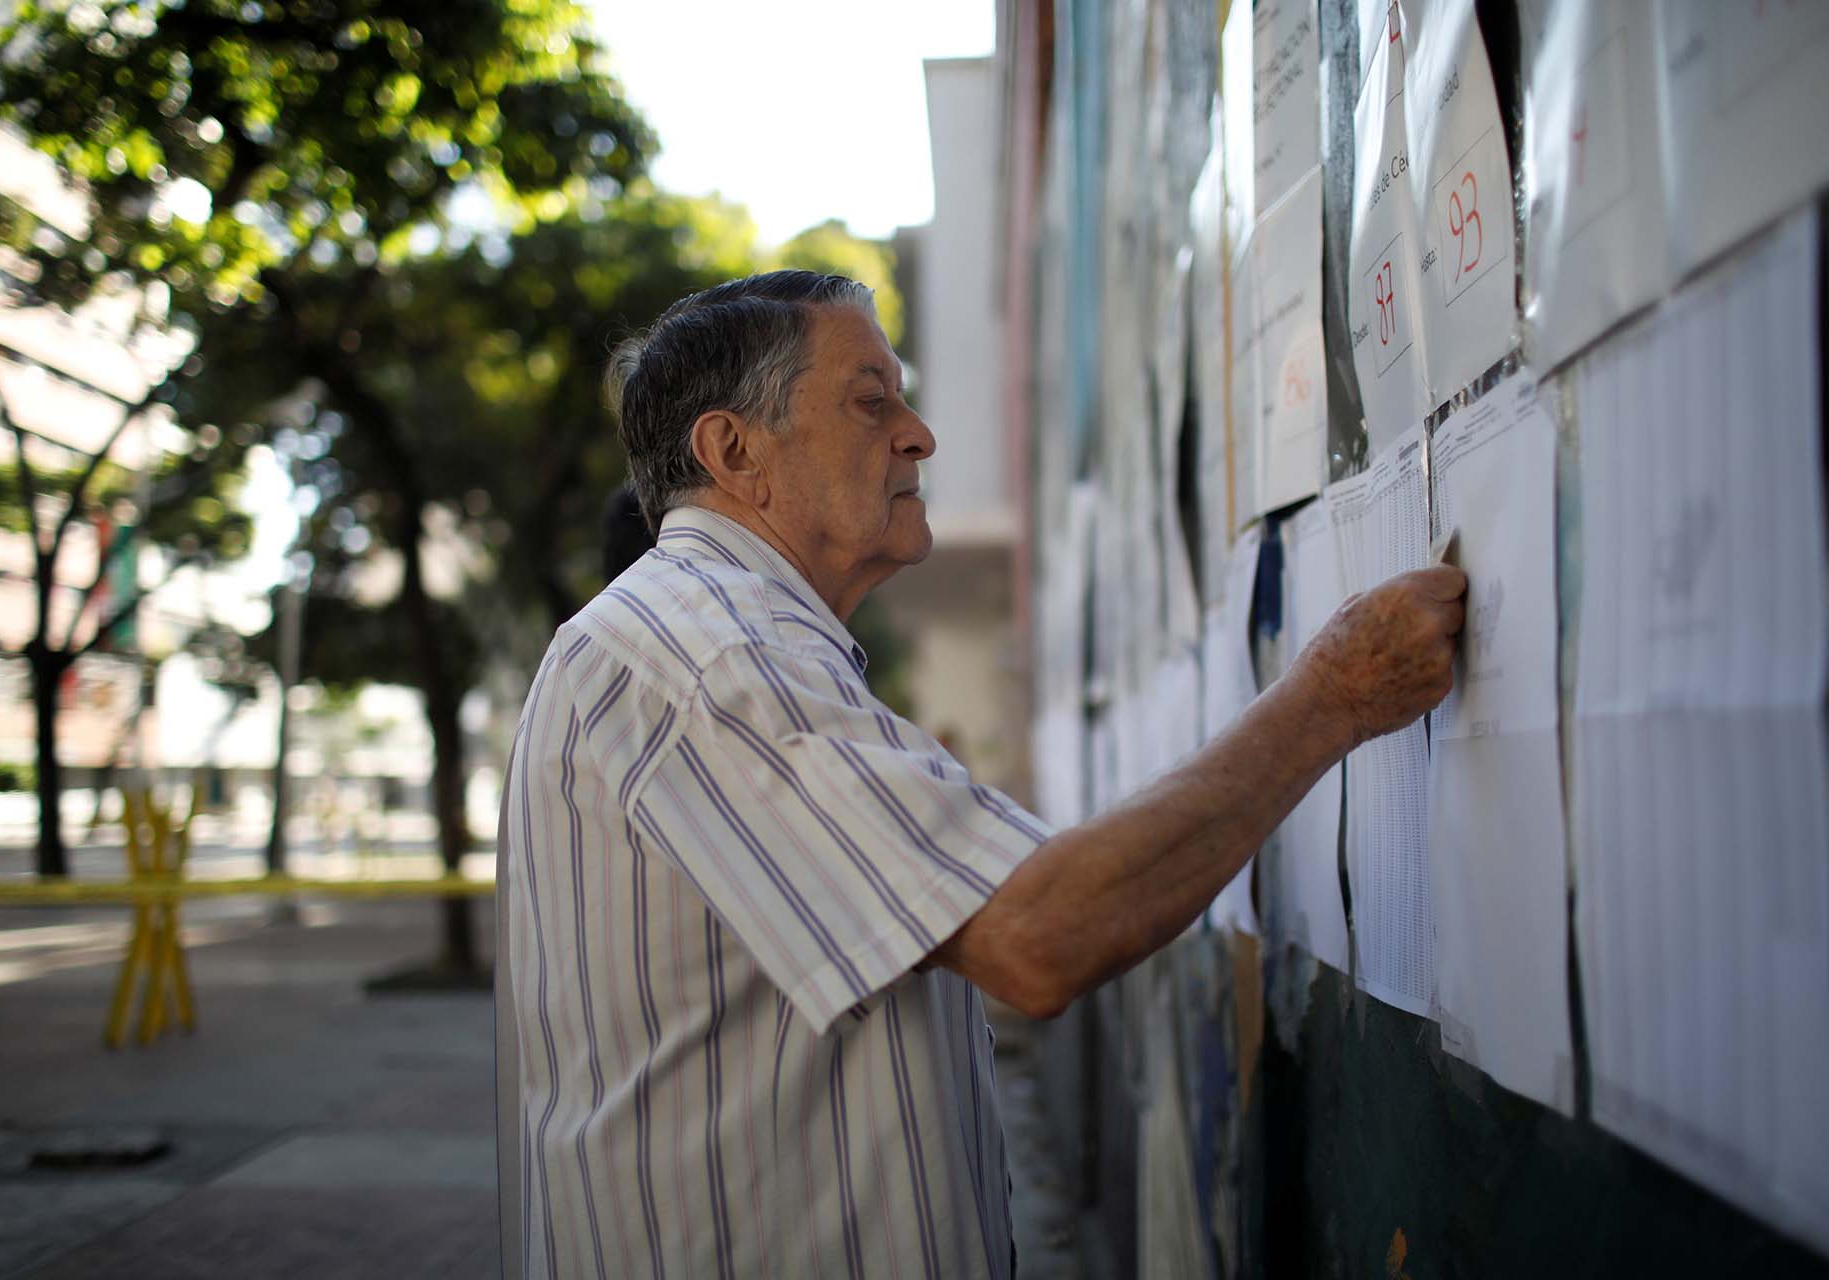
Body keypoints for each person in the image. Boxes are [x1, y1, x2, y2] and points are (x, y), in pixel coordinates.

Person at [494, 270, 1465, 1278]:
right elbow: (1036, 934)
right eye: (871, 401)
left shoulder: (722, 643)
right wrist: (1331, 698)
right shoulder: (711, 656)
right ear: (735, 451)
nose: (918, 433)